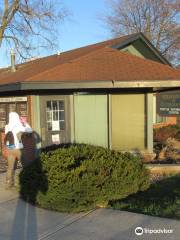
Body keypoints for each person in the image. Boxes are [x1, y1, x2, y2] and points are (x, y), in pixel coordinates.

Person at [4, 112, 32, 189]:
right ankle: (27, 183)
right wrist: (25, 122)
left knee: (10, 167)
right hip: (18, 149)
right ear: (16, 117)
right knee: (25, 165)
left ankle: (8, 184)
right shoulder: (19, 126)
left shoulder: (7, 126)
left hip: (10, 149)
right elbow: (30, 130)